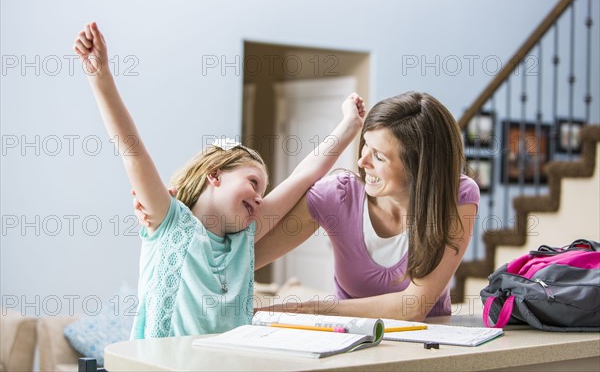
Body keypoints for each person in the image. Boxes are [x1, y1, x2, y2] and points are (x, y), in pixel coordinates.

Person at [73, 22, 365, 339]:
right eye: (253, 183)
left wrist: (349, 125)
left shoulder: (243, 242)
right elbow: (131, 149)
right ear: (214, 175)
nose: (259, 198)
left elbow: (304, 174)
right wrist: (99, 77)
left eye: (263, 192)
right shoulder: (170, 222)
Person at [253, 92, 480, 321]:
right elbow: (246, 256)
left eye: (379, 156)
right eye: (366, 146)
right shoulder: (338, 196)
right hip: (350, 344)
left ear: (419, 167)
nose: (362, 162)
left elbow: (414, 306)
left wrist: (312, 309)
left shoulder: (457, 196)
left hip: (427, 345)